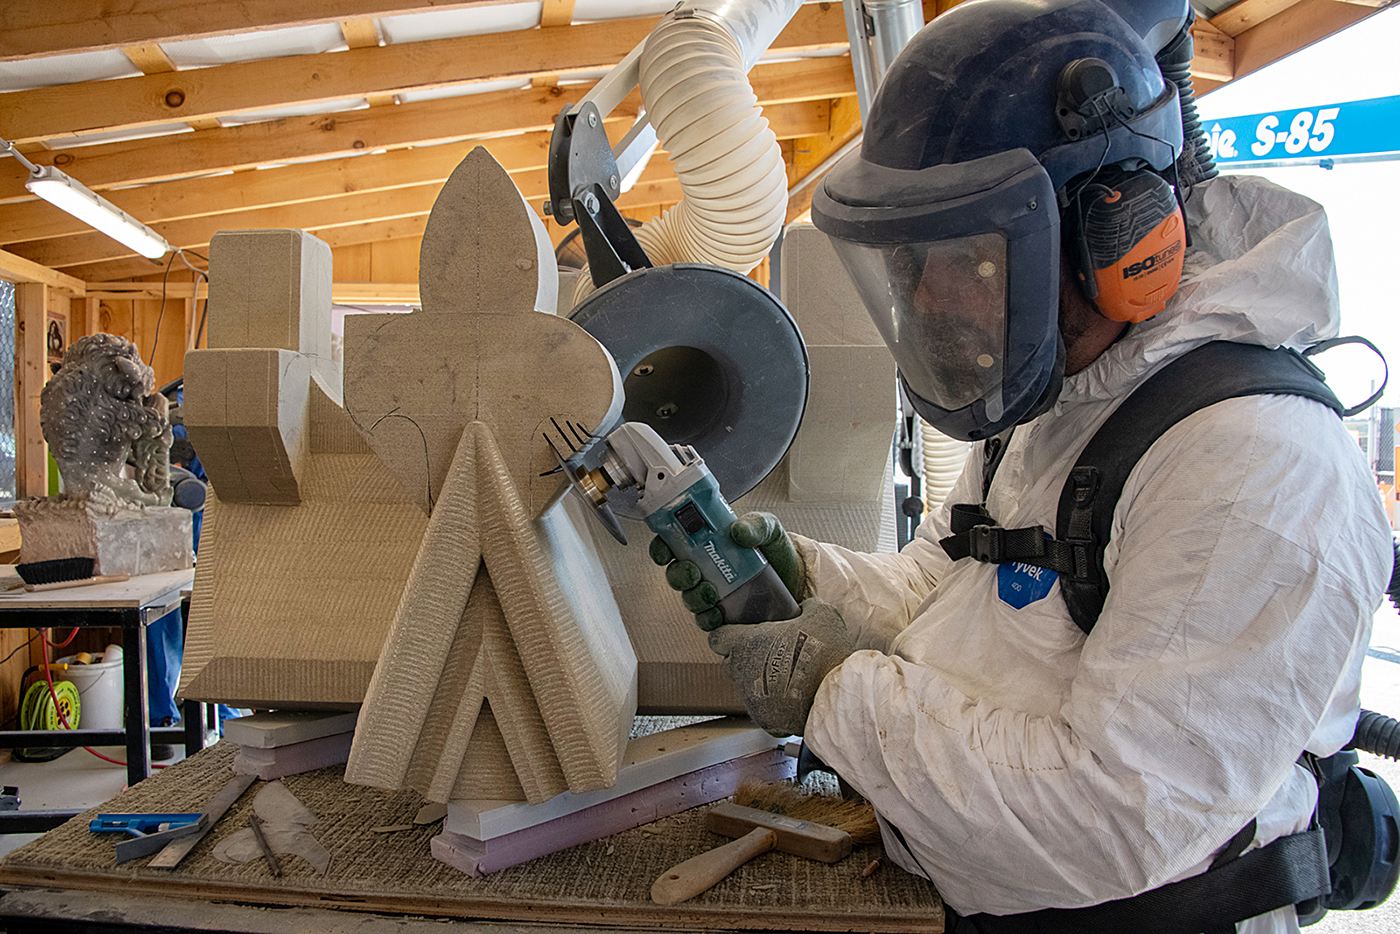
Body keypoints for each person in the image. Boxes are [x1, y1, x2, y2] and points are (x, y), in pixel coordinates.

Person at [652, 1, 1394, 930]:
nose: (923, 296)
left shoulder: (1255, 466)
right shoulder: (1070, 393)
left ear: (1110, 238)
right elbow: (960, 582)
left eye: (959, 255)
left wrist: (834, 688)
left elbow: (1110, 819)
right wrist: (809, 583)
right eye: (909, 260)